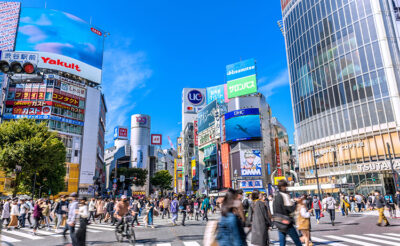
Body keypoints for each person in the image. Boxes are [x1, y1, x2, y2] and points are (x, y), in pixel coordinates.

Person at [273, 180, 302, 246]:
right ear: (283, 187)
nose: (286, 188)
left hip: (279, 221)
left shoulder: (276, 195)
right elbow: (290, 209)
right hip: (286, 221)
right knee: (296, 240)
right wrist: (296, 202)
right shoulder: (284, 195)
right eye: (285, 186)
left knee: (282, 241)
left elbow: (274, 208)